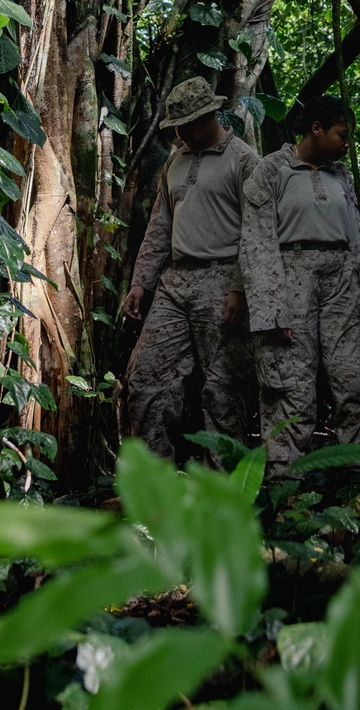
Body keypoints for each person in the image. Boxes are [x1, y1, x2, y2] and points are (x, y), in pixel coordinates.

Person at [238, 95, 360, 476]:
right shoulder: (271, 170)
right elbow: (256, 242)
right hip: (290, 279)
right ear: (316, 129)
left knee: (351, 374)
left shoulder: (342, 176)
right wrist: (271, 310)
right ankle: (286, 475)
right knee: (290, 383)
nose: (347, 143)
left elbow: (356, 242)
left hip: (341, 280)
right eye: (342, 134)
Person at [122, 76, 258, 461]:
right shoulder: (174, 162)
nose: (179, 132)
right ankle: (156, 486)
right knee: (145, 378)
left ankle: (227, 491)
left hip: (222, 280)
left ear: (209, 116)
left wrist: (239, 287)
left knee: (222, 389)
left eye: (185, 124)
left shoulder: (245, 161)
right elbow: (160, 224)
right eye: (175, 126)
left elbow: (258, 233)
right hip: (174, 282)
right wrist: (141, 282)